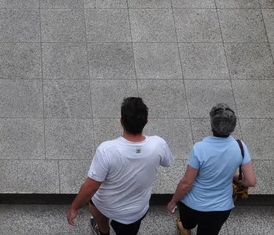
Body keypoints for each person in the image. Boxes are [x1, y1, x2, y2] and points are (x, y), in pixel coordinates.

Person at [67, 97, 173, 235]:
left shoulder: (107, 150)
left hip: (104, 204)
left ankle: (103, 231)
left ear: (121, 121)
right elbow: (167, 162)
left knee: (96, 210)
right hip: (134, 212)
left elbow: (91, 186)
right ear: (146, 121)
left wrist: (74, 208)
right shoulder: (159, 145)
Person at [167, 104, 256, 235]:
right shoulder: (240, 147)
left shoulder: (200, 148)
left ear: (212, 124)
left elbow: (186, 183)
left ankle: (186, 230)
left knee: (186, 223)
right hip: (220, 209)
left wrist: (173, 201)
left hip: (192, 205)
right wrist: (233, 176)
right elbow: (251, 181)